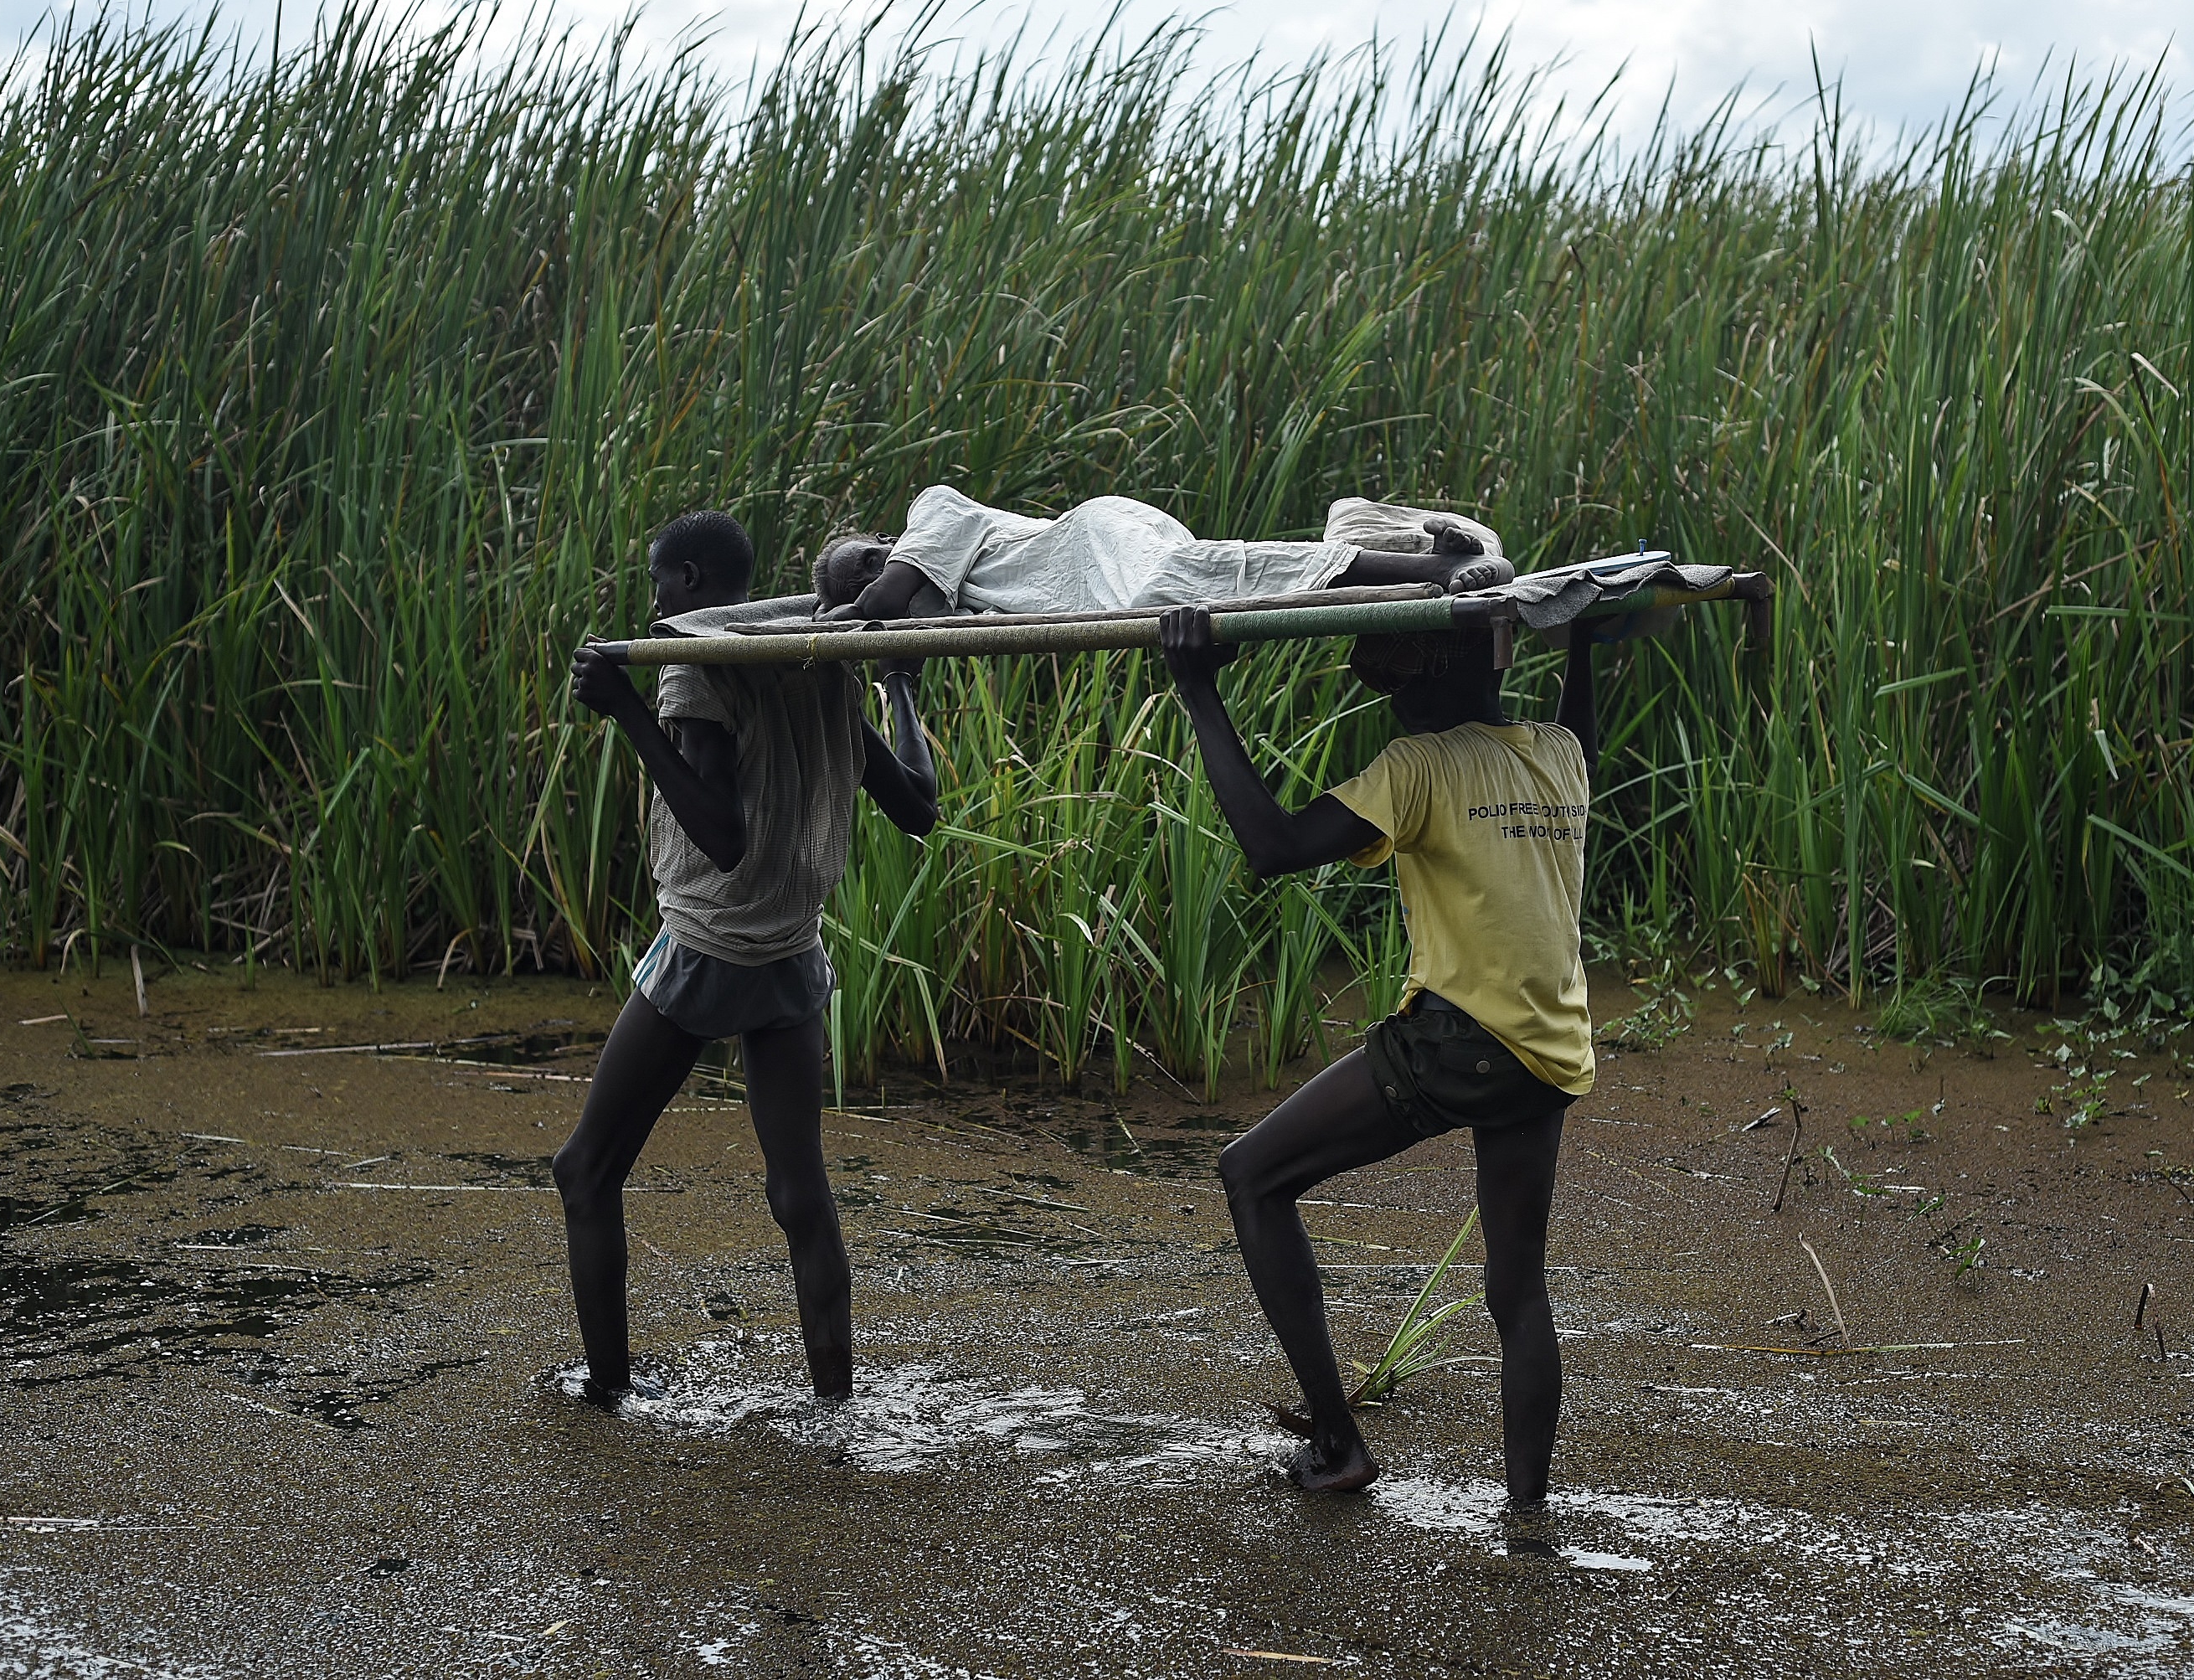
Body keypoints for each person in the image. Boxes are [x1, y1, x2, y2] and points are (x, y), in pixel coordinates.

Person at [1156, 606, 1600, 1504]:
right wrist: (1585, 641)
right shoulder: (1559, 752)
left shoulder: (1421, 766)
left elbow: (1271, 845)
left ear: (1432, 672)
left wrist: (1198, 691)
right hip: (1547, 1053)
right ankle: (1524, 1516)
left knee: (1251, 1174)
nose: (1388, 701)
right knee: (1517, 1288)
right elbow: (1578, 719)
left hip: (1457, 1044)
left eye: (1392, 679)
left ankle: (1336, 1440)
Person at [558, 510, 939, 1408]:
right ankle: (834, 1408)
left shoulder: (699, 663)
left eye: (659, 583)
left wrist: (625, 714)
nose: (653, 602)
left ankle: (606, 1393)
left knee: (586, 1170)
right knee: (799, 1191)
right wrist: (897, 686)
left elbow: (723, 835)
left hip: (712, 946)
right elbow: (918, 805)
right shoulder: (817, 664)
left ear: (689, 581)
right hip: (790, 957)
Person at [812, 487, 1515, 620]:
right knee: (1212, 578)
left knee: (1172, 583)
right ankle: (1387, 541)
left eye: (869, 558)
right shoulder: (935, 596)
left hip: (1092, 544)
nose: (877, 573)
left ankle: (1437, 569)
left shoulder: (930, 510)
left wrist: (832, 610)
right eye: (861, 577)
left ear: (885, 538)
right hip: (1090, 588)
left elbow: (882, 603)